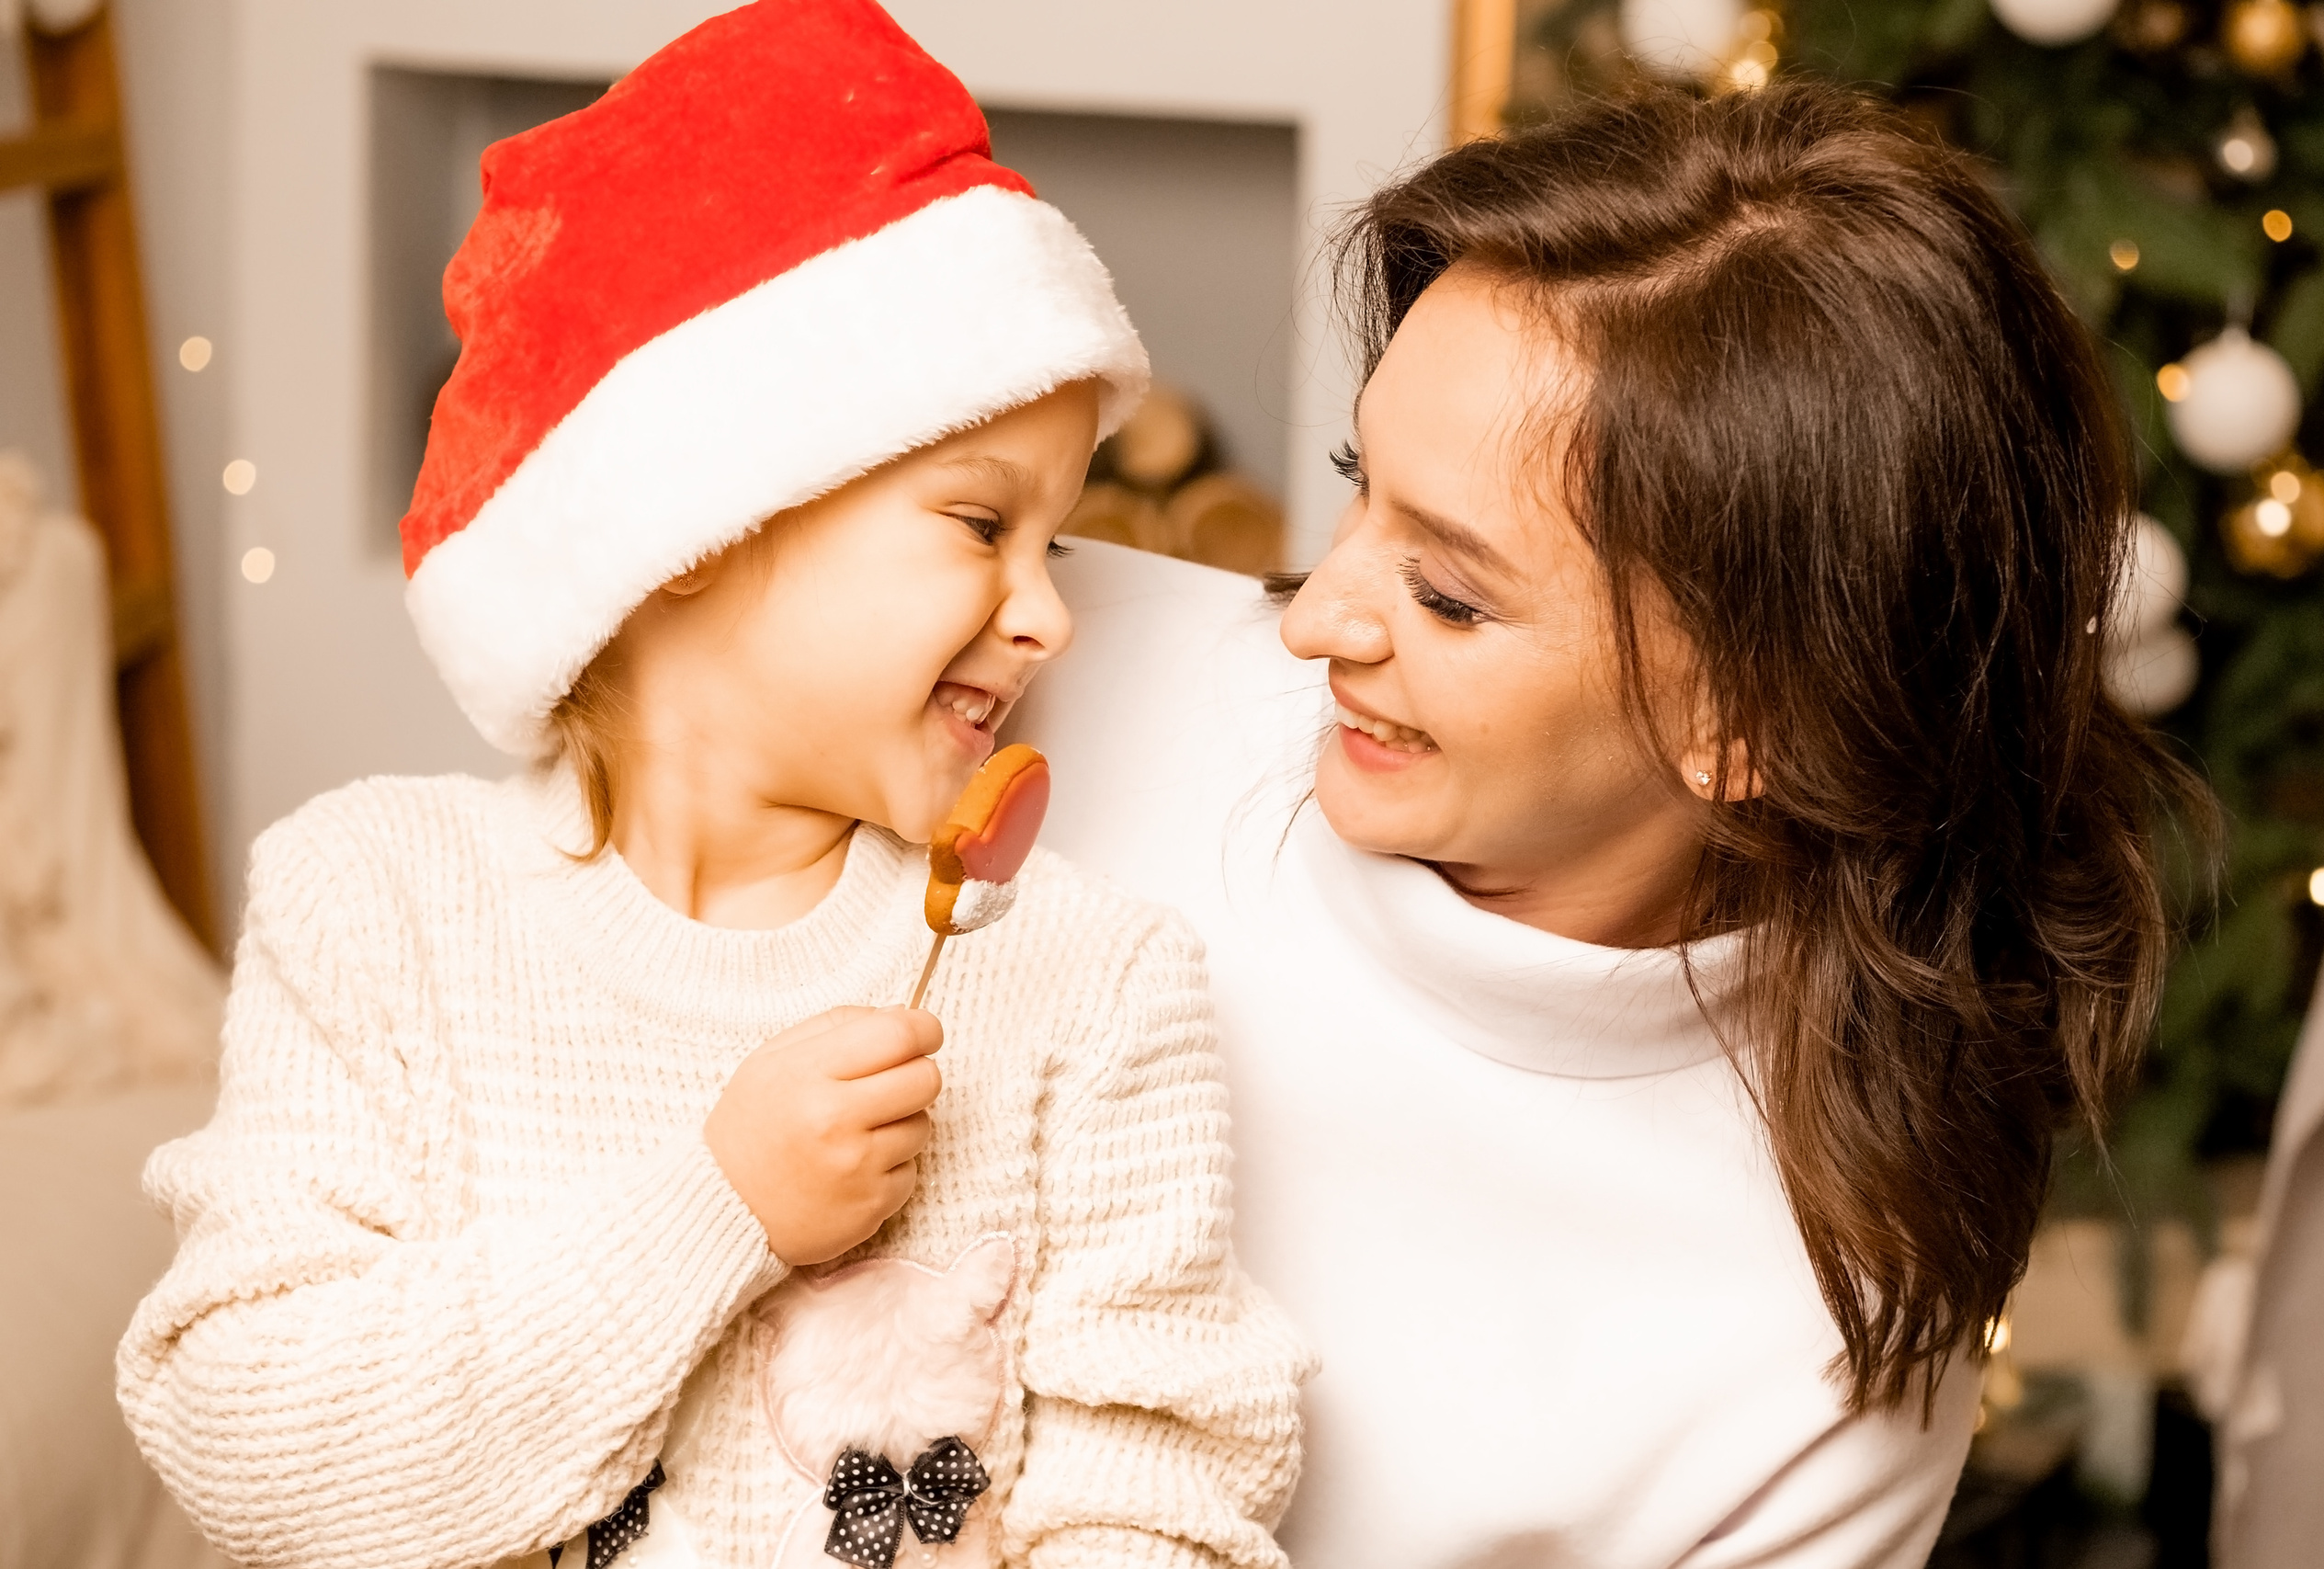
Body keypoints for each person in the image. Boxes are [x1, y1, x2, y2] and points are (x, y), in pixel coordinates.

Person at [114, 6, 1308, 1568]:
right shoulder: (374, 902)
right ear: (695, 531)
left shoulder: (1088, 988)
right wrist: (719, 1205)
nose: (1048, 616)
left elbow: (1162, 1504)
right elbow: (251, 1446)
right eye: (976, 524)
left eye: (1057, 541)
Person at [1009, 79, 2208, 1569]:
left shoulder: (1819, 1344)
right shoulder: (1027, 669)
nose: (1310, 620)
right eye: (1356, 490)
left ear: (1755, 723)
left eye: (1448, 597)